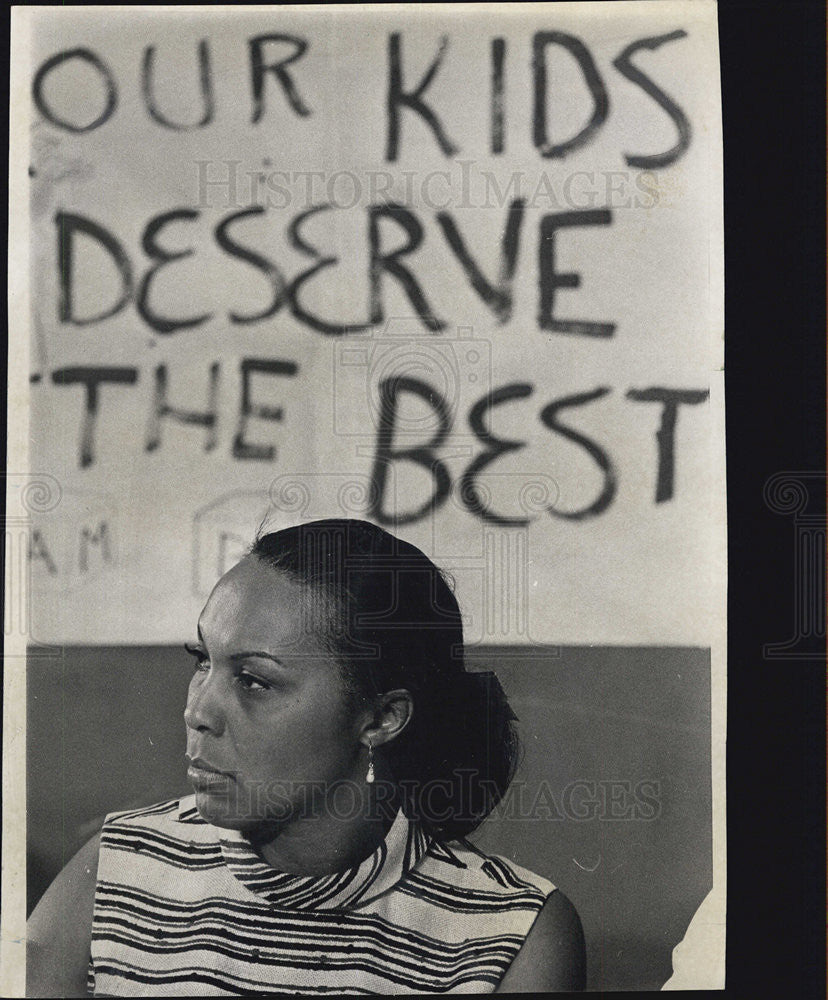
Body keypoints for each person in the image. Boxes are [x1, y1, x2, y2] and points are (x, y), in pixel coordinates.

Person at [26, 518, 585, 995]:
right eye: (203, 661)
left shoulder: (512, 935)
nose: (198, 711)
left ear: (382, 717)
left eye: (253, 680)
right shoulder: (117, 870)